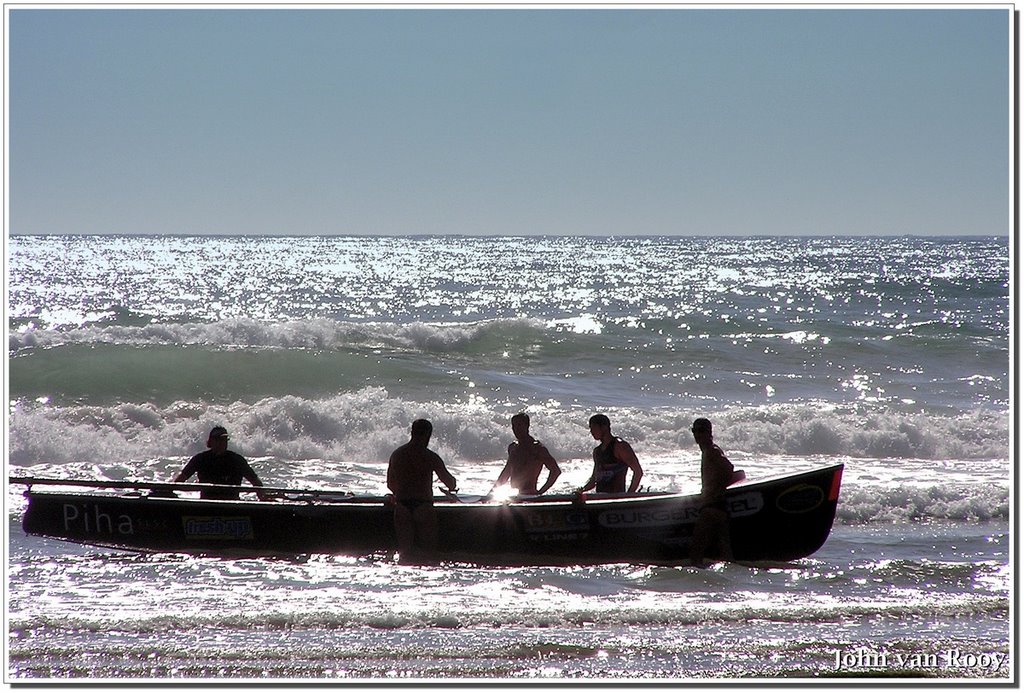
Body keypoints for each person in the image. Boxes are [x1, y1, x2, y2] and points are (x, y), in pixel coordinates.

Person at [386, 419, 458, 561]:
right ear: (427, 435)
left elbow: (390, 484)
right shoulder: (430, 456)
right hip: (423, 507)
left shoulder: (397, 454)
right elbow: (450, 483)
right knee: (429, 555)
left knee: (405, 556)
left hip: (402, 507)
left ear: (412, 432)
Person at [689, 417, 735, 567]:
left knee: (696, 552)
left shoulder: (712, 450)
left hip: (711, 508)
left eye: (701, 431)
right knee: (725, 552)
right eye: (694, 431)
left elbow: (729, 468)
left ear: (709, 432)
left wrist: (716, 490)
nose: (697, 435)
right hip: (718, 507)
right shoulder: (707, 451)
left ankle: (698, 583)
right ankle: (731, 581)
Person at [174, 426, 265, 500]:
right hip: (207, 505)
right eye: (218, 439)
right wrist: (169, 492)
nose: (222, 443)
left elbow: (256, 483)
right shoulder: (200, 459)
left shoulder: (237, 460)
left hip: (233, 506)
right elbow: (179, 481)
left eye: (224, 439)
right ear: (210, 442)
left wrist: (262, 498)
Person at [492, 413, 562, 496]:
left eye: (519, 425)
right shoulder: (513, 448)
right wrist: (492, 492)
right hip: (515, 494)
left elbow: (556, 471)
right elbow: (506, 472)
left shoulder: (537, 448)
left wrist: (540, 492)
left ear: (527, 426)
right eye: (514, 426)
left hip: (530, 494)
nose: (516, 429)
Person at [579, 414, 643, 494]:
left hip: (616, 499)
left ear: (604, 427)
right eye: (590, 428)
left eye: (594, 428)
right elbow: (593, 480)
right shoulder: (597, 451)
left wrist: (629, 494)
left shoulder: (620, 446)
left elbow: (638, 471)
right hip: (601, 498)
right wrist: (580, 491)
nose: (591, 431)